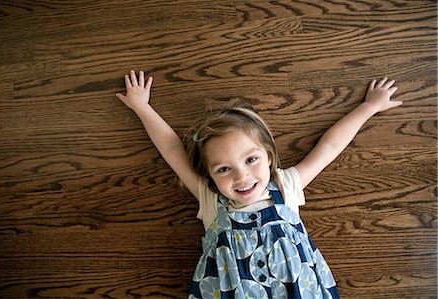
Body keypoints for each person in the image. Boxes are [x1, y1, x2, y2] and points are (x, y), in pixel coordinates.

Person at [116, 70, 401, 298]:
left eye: (251, 159)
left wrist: (369, 107)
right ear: (210, 175)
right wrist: (142, 107)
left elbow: (330, 146)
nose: (242, 177)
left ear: (269, 157)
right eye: (224, 168)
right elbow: (171, 150)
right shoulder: (211, 198)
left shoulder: (286, 184)